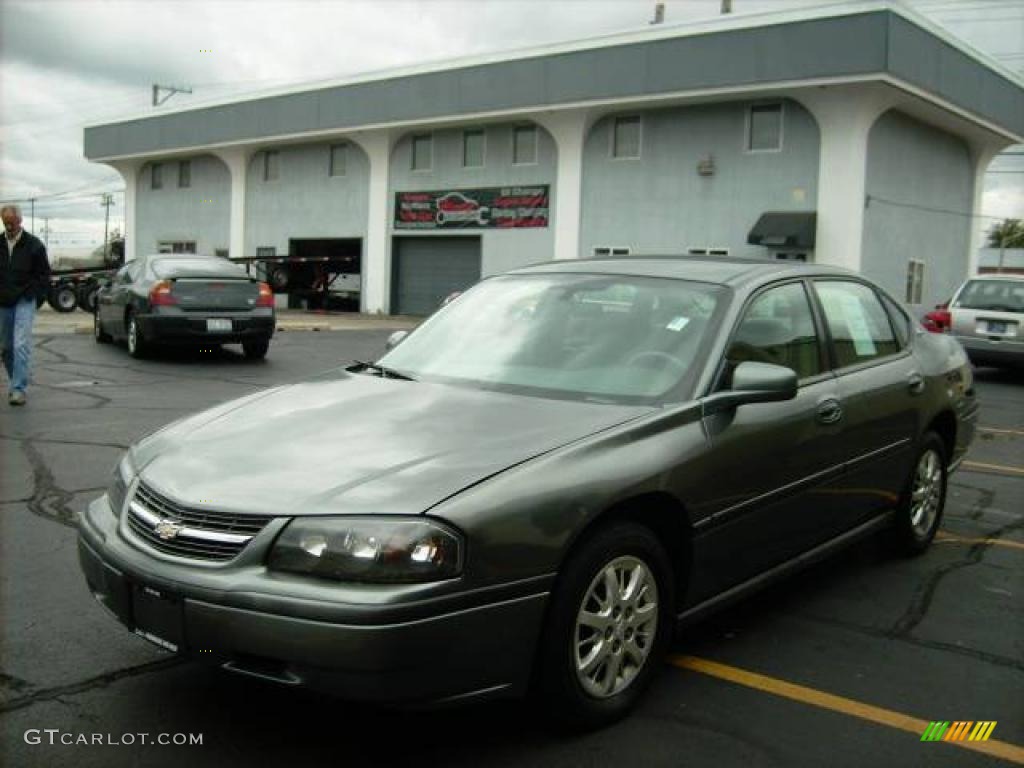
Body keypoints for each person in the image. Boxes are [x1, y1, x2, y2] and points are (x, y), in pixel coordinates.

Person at [1, 204, 51, 405]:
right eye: (5, 223)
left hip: (25, 300)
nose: (9, 226)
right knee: (6, 348)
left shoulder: (34, 245)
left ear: (20, 221)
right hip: (4, 301)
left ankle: (18, 388)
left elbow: (44, 275)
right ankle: (16, 379)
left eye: (12, 222)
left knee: (20, 343)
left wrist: (35, 297)